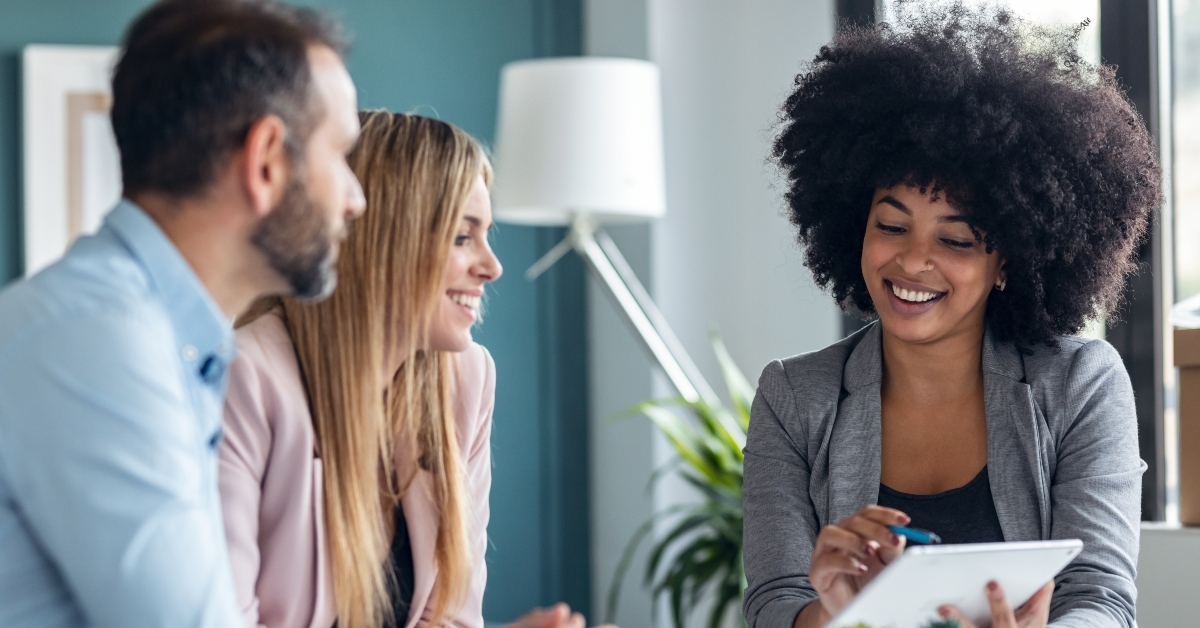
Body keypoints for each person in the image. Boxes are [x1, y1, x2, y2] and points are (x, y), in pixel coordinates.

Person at [742, 3, 1160, 628]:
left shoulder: (1081, 384)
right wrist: (838, 615)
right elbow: (773, 601)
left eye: (956, 240)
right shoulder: (794, 398)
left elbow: (1101, 597)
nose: (913, 260)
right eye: (891, 225)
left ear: (1007, 260)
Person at [0, 0, 365, 626]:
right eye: (341, 156)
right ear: (267, 161)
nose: (355, 199)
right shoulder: (99, 342)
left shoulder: (160, 338)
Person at [219, 111, 596, 628]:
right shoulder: (241, 380)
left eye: (486, 235)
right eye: (462, 238)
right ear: (382, 239)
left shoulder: (465, 380)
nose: (491, 266)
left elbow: (448, 618)